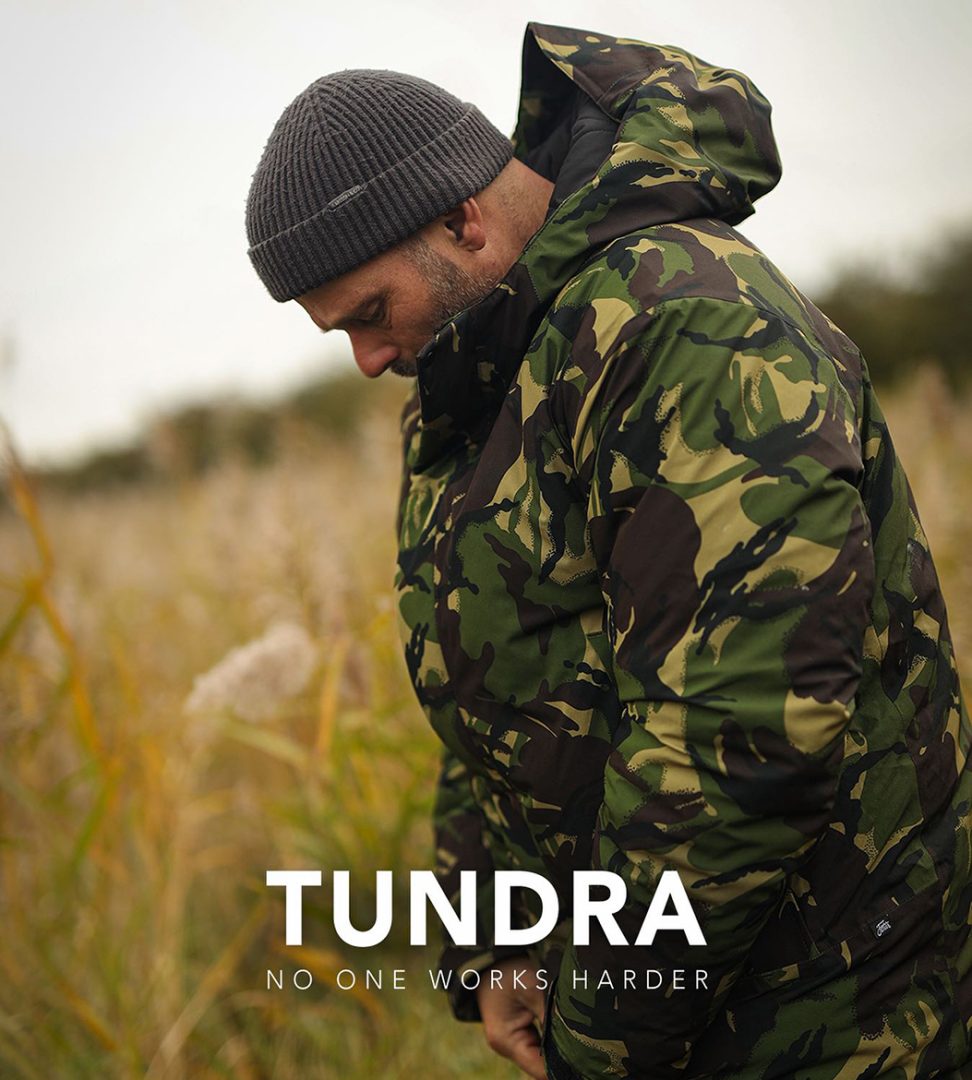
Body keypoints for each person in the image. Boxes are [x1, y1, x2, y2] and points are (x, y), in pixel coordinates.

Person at [245, 21, 972, 1079]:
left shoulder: (689, 328)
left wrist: (600, 1041)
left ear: (462, 221)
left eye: (370, 313)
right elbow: (489, 686)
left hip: (829, 1017)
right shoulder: (479, 371)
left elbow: (736, 734)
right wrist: (495, 939)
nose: (365, 359)